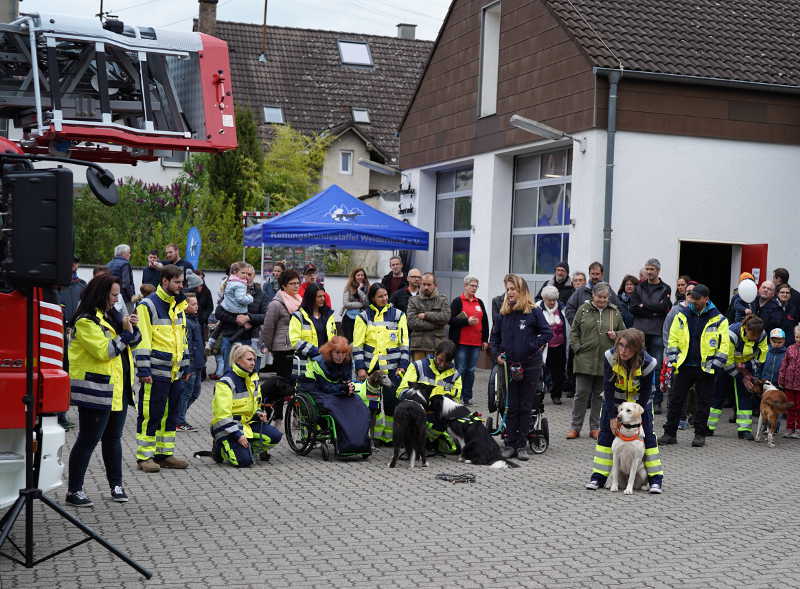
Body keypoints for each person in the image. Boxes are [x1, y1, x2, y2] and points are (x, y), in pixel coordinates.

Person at [65, 274, 141, 507]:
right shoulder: (86, 321)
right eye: (114, 295)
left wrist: (130, 327)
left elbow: (134, 342)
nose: (117, 299)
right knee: (88, 440)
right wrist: (125, 334)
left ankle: (116, 485)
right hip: (96, 390)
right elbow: (105, 351)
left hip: (118, 389)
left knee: (113, 439)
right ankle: (74, 491)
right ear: (101, 294)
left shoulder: (109, 316)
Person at [584, 328, 663, 493]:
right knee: (605, 436)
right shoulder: (609, 357)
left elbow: (646, 392)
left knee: (647, 437)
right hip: (614, 402)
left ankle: (655, 480)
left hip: (639, 404)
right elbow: (607, 386)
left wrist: (637, 416)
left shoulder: (649, 363)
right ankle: (597, 478)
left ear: (637, 348)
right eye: (620, 345)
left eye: (628, 347)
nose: (623, 351)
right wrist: (613, 416)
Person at [134, 264, 191, 473]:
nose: (180, 286)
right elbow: (142, 341)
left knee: (171, 414)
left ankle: (164, 454)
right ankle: (144, 456)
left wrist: (185, 366)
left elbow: (183, 339)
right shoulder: (147, 306)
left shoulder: (178, 305)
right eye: (177, 282)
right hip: (156, 372)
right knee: (151, 413)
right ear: (164, 281)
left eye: (181, 282)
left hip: (175, 372)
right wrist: (144, 371)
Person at [490, 274, 552, 461]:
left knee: (526, 405)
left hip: (530, 366)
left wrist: (532, 346)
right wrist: (497, 356)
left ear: (522, 291)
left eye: (513, 289)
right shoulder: (503, 314)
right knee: (511, 405)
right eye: (507, 289)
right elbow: (494, 340)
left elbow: (547, 333)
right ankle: (509, 443)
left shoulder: (534, 312)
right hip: (509, 366)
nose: (509, 293)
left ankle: (522, 444)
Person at [660, 284, 729, 447]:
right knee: (676, 401)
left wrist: (715, 366)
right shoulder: (681, 314)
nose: (693, 302)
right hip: (684, 365)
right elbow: (673, 338)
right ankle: (669, 433)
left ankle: (699, 435)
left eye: (697, 299)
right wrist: (673, 360)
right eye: (692, 298)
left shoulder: (719, 319)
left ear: (706, 299)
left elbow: (724, 345)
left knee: (703, 403)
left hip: (706, 367)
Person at [353, 283, 410, 443]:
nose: (384, 298)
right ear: (372, 298)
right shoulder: (363, 317)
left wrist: (403, 365)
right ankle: (376, 436)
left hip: (393, 367)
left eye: (386, 295)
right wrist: (360, 368)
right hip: (372, 367)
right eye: (380, 296)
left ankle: (391, 436)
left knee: (392, 401)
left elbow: (404, 343)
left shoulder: (399, 315)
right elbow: (357, 345)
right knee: (372, 403)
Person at [567, 282, 625, 440]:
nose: (602, 300)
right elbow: (574, 331)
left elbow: (625, 333)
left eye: (605, 297)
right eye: (599, 297)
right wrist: (577, 347)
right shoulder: (583, 310)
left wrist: (617, 335)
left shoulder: (614, 312)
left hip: (605, 360)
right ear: (593, 296)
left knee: (600, 396)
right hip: (584, 359)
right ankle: (575, 427)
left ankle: (595, 427)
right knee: (581, 394)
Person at [210, 344, 282, 467]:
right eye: (249, 359)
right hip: (227, 428)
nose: (253, 363)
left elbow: (255, 404)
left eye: (254, 360)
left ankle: (246, 450)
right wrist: (238, 435)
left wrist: (259, 412)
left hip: (247, 424)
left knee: (275, 436)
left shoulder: (253, 378)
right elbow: (222, 416)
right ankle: (220, 449)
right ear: (237, 360)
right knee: (244, 462)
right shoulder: (225, 383)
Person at [303, 336, 371, 454]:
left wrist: (349, 387)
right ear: (330, 352)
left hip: (337, 392)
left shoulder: (347, 361)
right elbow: (325, 387)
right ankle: (345, 443)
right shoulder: (318, 363)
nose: (340, 356)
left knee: (360, 406)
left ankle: (361, 444)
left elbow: (346, 381)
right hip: (317, 391)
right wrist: (343, 388)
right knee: (337, 408)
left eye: (344, 353)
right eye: (337, 353)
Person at [707, 314, 767, 439]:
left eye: (757, 336)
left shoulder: (762, 335)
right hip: (726, 364)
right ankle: (709, 427)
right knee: (718, 394)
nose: (754, 339)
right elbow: (727, 360)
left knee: (745, 396)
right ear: (745, 328)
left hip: (746, 364)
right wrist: (741, 377)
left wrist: (751, 374)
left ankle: (744, 429)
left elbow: (761, 357)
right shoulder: (732, 334)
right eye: (752, 336)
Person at [397, 339, 463, 453]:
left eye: (446, 362)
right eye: (440, 360)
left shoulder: (455, 376)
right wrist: (419, 398)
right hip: (417, 409)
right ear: (435, 353)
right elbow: (401, 392)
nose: (442, 365)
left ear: (451, 360)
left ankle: (428, 440)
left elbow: (455, 403)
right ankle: (411, 439)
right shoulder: (418, 366)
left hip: (436, 413)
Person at [630, 258, 672, 414]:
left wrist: (645, 306)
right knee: (637, 365)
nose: (649, 272)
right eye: (647, 268)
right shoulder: (638, 287)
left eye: (652, 269)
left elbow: (664, 308)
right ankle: (638, 398)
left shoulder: (665, 288)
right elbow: (633, 308)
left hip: (657, 331)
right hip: (639, 333)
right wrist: (653, 310)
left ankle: (657, 401)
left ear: (658, 271)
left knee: (657, 366)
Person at [448, 275, 489, 406]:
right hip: (461, 343)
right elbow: (450, 320)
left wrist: (485, 340)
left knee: (471, 370)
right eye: (472, 285)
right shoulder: (458, 301)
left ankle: (467, 397)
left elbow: (485, 322)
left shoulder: (479, 302)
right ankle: (457, 395)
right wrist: (467, 321)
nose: (474, 288)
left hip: (476, 343)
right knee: (460, 369)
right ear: (465, 286)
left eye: (476, 286)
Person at [289, 282, 336, 380]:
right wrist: (316, 351)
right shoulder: (298, 316)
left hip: (325, 363)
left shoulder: (329, 315)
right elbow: (294, 341)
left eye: (323, 296)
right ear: (311, 297)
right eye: (319, 296)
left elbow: (333, 338)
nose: (323, 299)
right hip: (305, 364)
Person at [260, 270, 302, 381]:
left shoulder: (300, 301)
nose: (296, 286)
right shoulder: (276, 304)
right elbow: (268, 328)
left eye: (298, 283)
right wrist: (269, 347)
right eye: (292, 284)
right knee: (284, 381)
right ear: (284, 286)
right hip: (282, 349)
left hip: (297, 346)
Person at [174, 293, 204, 432]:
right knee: (186, 392)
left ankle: (178, 416)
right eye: (193, 304)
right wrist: (188, 366)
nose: (196, 306)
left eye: (197, 303)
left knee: (195, 393)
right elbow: (188, 346)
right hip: (190, 365)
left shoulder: (195, 320)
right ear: (185, 306)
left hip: (197, 364)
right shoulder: (186, 322)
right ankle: (178, 420)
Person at [536, 285, 569, 405]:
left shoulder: (561, 308)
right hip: (543, 346)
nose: (552, 302)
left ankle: (556, 395)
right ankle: (538, 394)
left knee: (558, 372)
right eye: (549, 300)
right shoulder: (537, 308)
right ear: (544, 299)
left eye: (554, 300)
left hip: (559, 345)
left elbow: (567, 326)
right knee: (540, 371)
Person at [407, 272, 451, 362]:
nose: (426, 287)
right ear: (420, 284)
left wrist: (426, 315)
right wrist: (437, 325)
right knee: (418, 373)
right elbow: (412, 322)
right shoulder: (413, 300)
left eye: (429, 285)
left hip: (437, 346)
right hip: (418, 346)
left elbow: (445, 317)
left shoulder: (443, 300)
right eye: (424, 284)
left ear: (435, 285)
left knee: (435, 374)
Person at [778, 325, 800, 438]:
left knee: (799, 407)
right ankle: (790, 428)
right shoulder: (790, 349)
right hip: (789, 384)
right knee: (790, 406)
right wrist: (781, 378)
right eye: (797, 337)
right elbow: (784, 365)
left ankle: (798, 429)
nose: (798, 340)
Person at [341, 267, 370, 341]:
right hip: (349, 319)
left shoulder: (368, 288)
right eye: (358, 275)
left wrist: (359, 290)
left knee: (359, 341)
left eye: (362, 275)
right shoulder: (348, 287)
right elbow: (346, 304)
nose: (360, 277)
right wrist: (361, 304)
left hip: (362, 319)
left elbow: (367, 303)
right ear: (354, 276)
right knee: (349, 342)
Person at [106, 244, 135, 311]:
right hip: (125, 299)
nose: (130, 255)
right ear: (123, 253)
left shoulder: (108, 264)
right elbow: (126, 284)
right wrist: (131, 297)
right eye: (129, 253)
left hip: (111, 298)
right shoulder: (125, 264)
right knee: (128, 318)